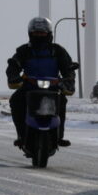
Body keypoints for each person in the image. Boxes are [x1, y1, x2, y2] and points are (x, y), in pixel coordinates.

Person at [6, 17, 76, 149]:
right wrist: (14, 76)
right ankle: (21, 135)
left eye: (42, 33)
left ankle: (59, 136)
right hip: (28, 86)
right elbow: (14, 65)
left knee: (62, 101)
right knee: (15, 100)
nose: (39, 35)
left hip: (53, 87)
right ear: (30, 34)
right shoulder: (23, 50)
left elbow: (68, 68)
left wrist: (69, 80)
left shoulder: (58, 50)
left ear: (49, 34)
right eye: (36, 33)